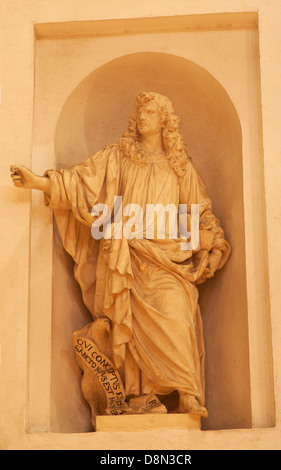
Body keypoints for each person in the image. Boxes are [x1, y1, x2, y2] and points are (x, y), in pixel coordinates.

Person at [10, 91, 230, 418]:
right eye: (139, 112)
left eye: (150, 112)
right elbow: (80, 184)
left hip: (169, 262)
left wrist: (214, 243)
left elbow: (201, 215)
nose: (142, 117)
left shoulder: (180, 166)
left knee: (178, 316)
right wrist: (39, 183)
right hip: (128, 257)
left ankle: (187, 392)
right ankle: (140, 398)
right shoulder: (118, 157)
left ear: (164, 122)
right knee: (126, 323)